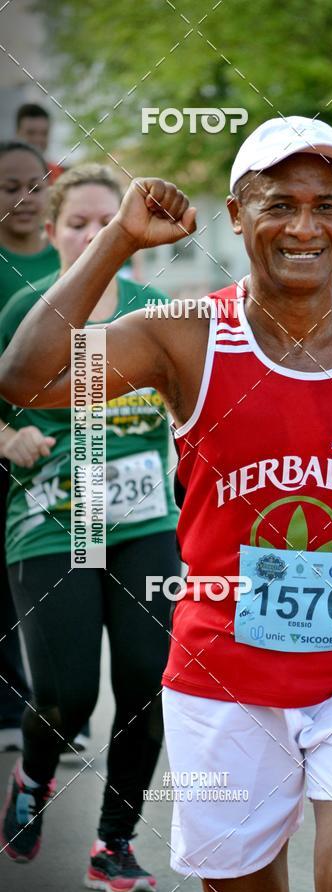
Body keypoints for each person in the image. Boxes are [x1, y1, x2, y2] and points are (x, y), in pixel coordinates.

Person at [0, 117, 332, 892]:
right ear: (236, 213)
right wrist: (117, 244)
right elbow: (25, 379)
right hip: (222, 670)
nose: (305, 226)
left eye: (327, 205)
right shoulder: (186, 337)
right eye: (278, 204)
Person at [0, 163, 179, 892]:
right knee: (66, 695)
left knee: (148, 680)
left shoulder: (155, 310)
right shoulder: (24, 307)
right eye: (79, 223)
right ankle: (33, 774)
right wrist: (5, 439)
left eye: (109, 221)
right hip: (53, 523)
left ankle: (115, 842)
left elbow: (198, 397)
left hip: (144, 523)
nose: (94, 234)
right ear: (52, 231)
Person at [0, 141, 59, 752]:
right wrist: (7, 435)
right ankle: (7, 706)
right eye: (7, 186)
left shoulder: (72, 263)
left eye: (34, 185)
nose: (22, 198)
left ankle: (59, 704)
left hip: (64, 461)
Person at [15, 104, 65, 183]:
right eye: (31, 133)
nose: (38, 139)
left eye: (44, 133)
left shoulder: (58, 174)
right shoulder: (4, 171)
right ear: (17, 134)